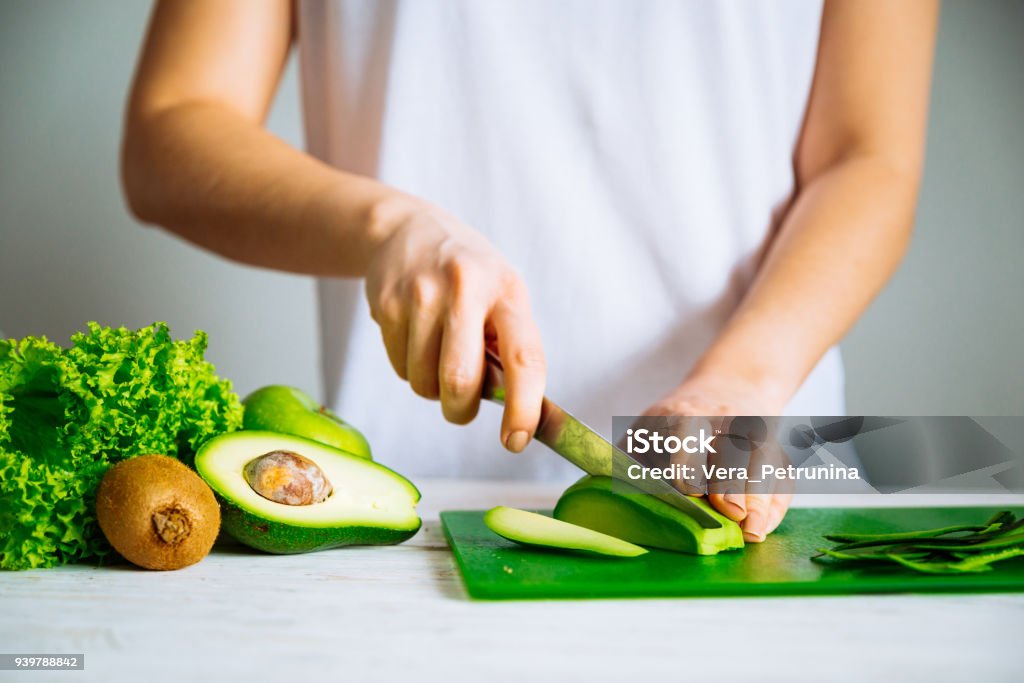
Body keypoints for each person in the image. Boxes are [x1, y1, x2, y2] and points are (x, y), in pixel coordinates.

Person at [121, 0, 938, 543]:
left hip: (761, 468)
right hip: (408, 512)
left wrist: (743, 383)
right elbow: (172, 127)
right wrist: (388, 226)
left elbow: (867, 159)